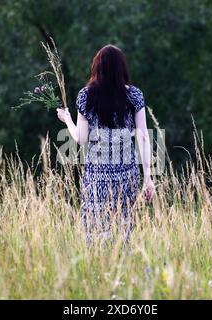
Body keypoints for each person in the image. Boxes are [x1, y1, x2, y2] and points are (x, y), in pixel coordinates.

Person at [56, 44, 155, 241]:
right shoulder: (134, 95)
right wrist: (148, 178)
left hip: (96, 175)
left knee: (95, 232)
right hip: (127, 173)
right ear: (122, 68)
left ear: (97, 67)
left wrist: (67, 119)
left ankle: (98, 269)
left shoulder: (86, 95)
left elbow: (80, 138)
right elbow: (143, 136)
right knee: (123, 232)